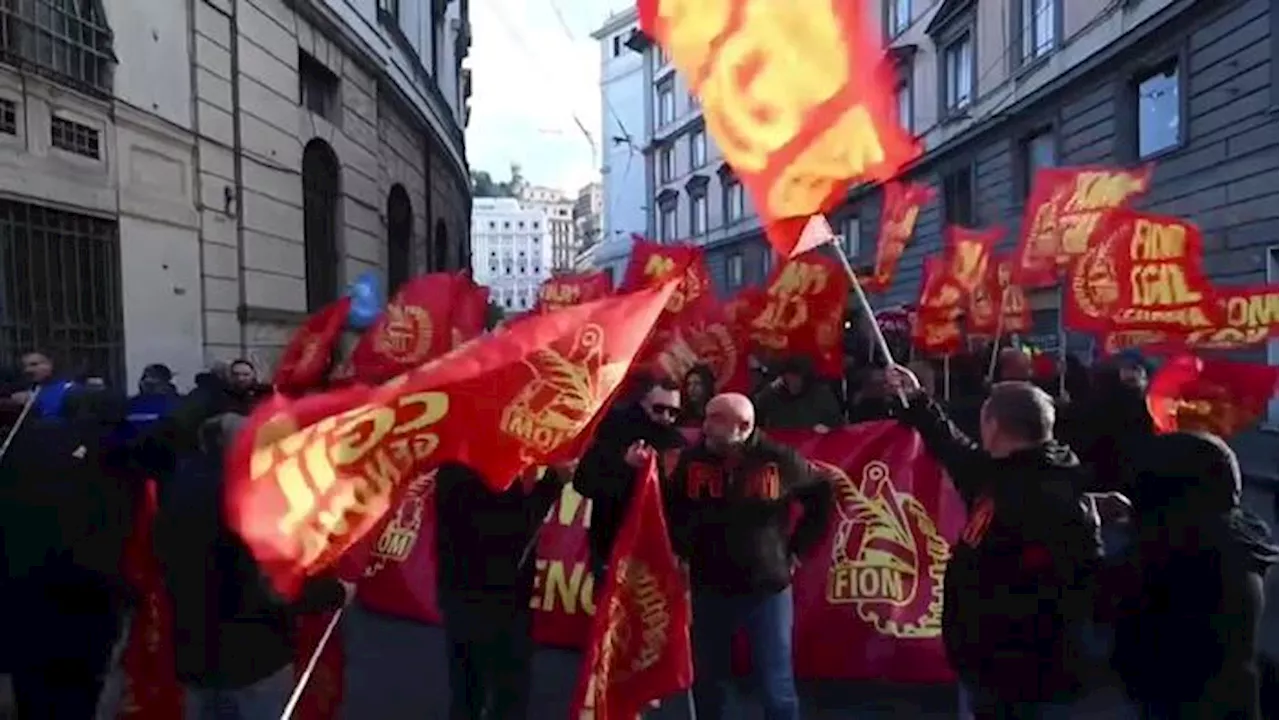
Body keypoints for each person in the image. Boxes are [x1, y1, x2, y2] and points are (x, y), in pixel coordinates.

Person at [886, 368, 1102, 718]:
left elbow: (1077, 581)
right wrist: (916, 398)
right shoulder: (1002, 473)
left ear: (995, 427)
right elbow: (953, 448)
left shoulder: (1049, 496)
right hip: (985, 662)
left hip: (1024, 669)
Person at [152, 412, 352, 719]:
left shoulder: (178, 487)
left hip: (192, 647)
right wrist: (334, 593)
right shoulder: (255, 497)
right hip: (252, 653)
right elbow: (274, 585)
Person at [666, 393, 832, 720]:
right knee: (709, 683)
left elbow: (821, 495)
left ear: (742, 426)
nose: (705, 426)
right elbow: (672, 508)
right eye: (707, 417)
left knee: (776, 686)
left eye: (715, 419)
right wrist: (681, 549)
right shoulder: (692, 459)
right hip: (709, 586)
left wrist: (797, 550)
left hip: (766, 589)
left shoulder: (778, 459)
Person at [1113, 432, 1278, 719]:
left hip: (1177, 702)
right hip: (1238, 697)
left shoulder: (1167, 554)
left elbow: (1124, 641)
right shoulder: (1243, 538)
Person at [0, 388, 138, 718]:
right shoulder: (112, 452)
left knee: (33, 681)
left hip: (26, 585)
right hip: (87, 589)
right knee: (79, 685)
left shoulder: (22, 444)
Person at [435, 462, 568, 720]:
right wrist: (553, 482)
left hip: (460, 594)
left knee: (467, 693)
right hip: (496, 601)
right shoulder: (492, 473)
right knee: (506, 695)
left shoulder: (453, 466)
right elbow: (511, 531)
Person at [573, 376, 686, 583]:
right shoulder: (614, 432)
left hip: (657, 551)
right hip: (612, 544)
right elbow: (583, 482)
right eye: (659, 409)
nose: (667, 417)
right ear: (642, 404)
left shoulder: (677, 444)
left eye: (674, 412)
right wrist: (625, 465)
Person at [753, 355, 844, 432]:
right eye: (790, 377)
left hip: (813, 446)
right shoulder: (771, 394)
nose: (794, 381)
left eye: (797, 377)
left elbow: (839, 426)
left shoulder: (822, 395)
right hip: (779, 446)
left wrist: (827, 430)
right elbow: (753, 417)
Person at [10, 350, 78, 419]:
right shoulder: (31, 389)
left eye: (34, 364)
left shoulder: (70, 389)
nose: (27, 370)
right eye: (24, 366)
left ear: (50, 363)